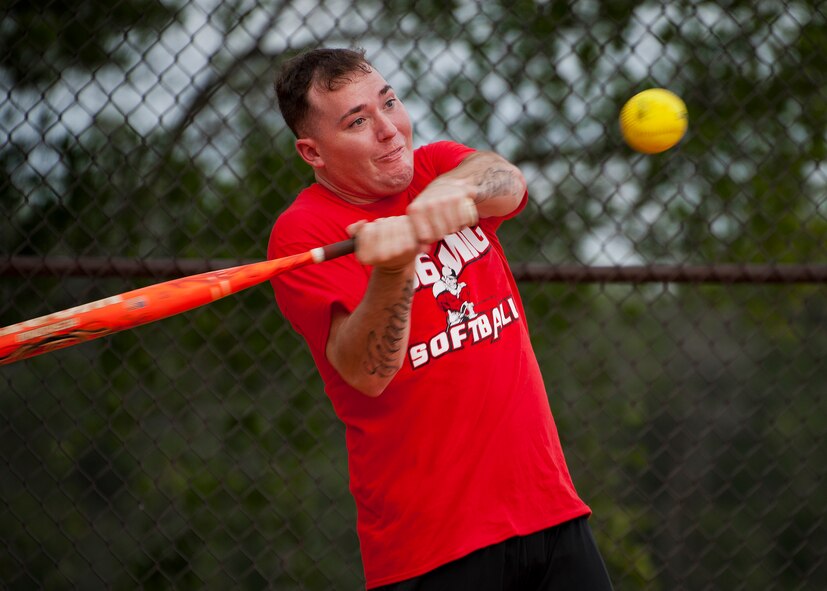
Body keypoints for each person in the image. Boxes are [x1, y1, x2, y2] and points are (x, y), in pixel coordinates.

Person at [268, 47, 613, 591]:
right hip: (434, 548)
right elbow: (366, 372)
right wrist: (394, 267)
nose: (389, 130)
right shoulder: (304, 231)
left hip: (549, 509)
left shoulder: (432, 166)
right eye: (358, 121)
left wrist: (459, 187)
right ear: (312, 151)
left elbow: (506, 180)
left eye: (390, 103)